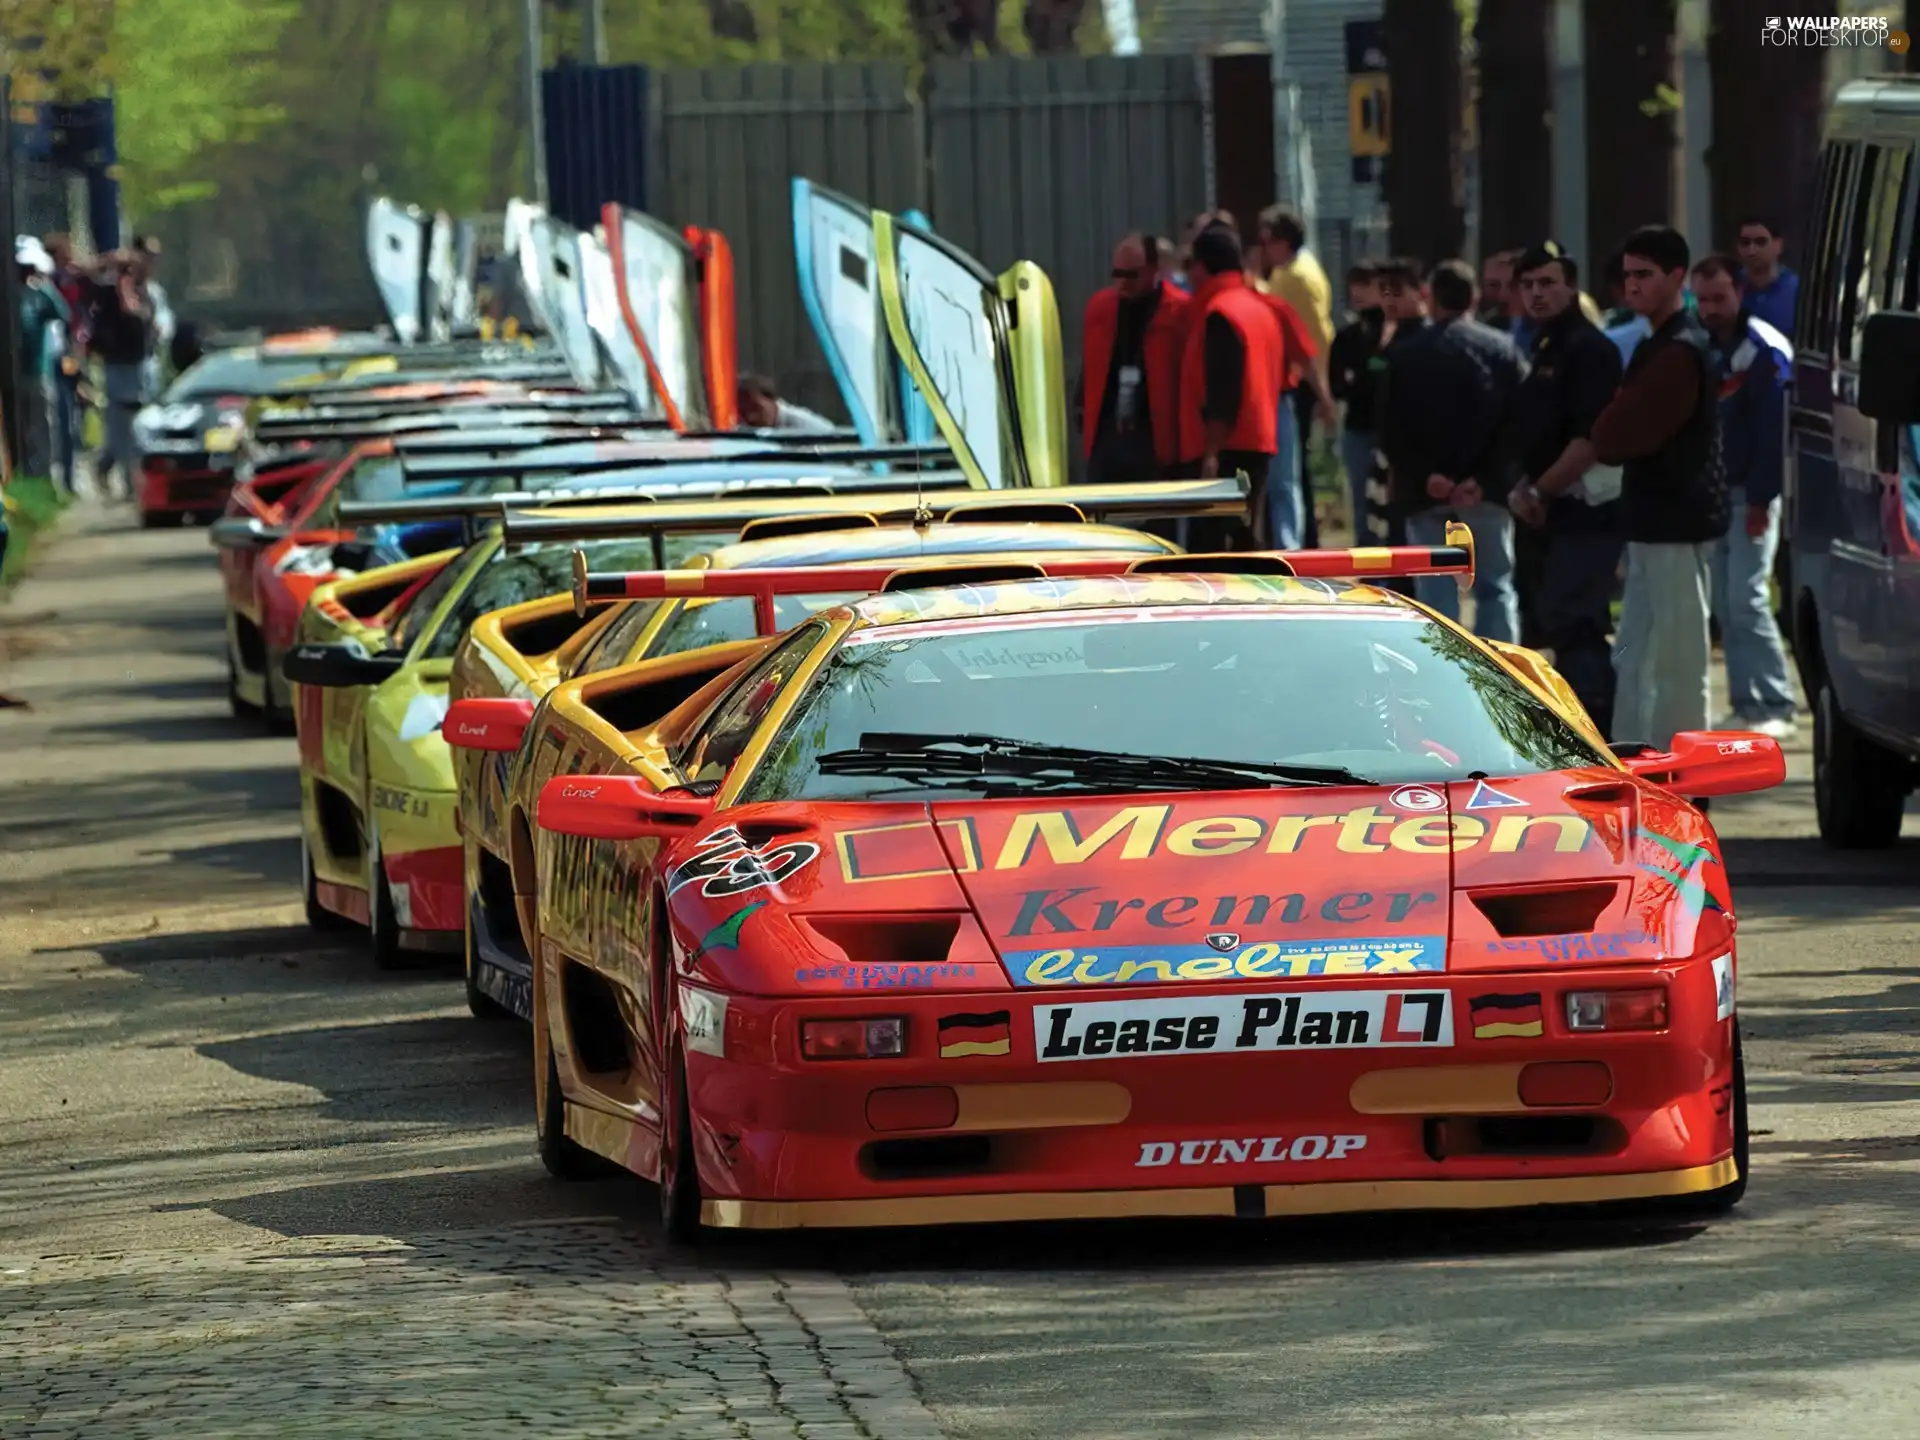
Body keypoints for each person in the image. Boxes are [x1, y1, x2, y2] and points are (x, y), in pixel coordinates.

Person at [1592, 225, 1728, 754]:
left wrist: (1611, 424)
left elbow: (1616, 433)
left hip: (1677, 521)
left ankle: (1682, 770)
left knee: (1677, 660)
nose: (1632, 287)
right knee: (1638, 652)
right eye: (1628, 276)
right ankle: (1636, 756)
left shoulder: (1680, 349)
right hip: (1654, 521)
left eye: (1644, 275)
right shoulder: (1659, 342)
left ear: (1676, 277)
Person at [1505, 242, 1628, 734]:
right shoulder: (1544, 344)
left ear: (1571, 286)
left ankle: (1600, 733)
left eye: (1548, 283)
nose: (1537, 294)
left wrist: (1541, 492)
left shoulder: (1590, 349)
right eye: (1528, 285)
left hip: (1584, 510)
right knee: (1553, 621)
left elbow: (1589, 439)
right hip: (1548, 511)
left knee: (1577, 624)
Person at [1379, 259, 1527, 640]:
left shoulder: (1405, 355)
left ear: (1431, 299)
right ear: (1474, 296)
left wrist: (1427, 475)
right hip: (1485, 492)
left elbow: (1393, 429)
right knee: (1494, 586)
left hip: (1426, 492)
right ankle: (1502, 676)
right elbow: (1518, 424)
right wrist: (1482, 478)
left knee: (1434, 595)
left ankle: (1444, 676)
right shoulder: (1502, 351)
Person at [1690, 253, 1798, 739]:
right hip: (1714, 495)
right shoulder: (1701, 346)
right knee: (1727, 603)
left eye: (1719, 297)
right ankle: (1747, 702)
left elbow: (1772, 433)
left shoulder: (1762, 349)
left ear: (1739, 293)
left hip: (1750, 496)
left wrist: (1761, 499)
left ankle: (1775, 701)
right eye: (1703, 298)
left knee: (1747, 598)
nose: (1711, 307)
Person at [1175, 222, 1283, 548]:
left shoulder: (1220, 313)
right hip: (1258, 441)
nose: (1188, 274)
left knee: (1210, 551)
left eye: (1190, 265)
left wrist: (1211, 451)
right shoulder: (1257, 307)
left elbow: (1223, 387)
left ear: (1203, 266)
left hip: (1227, 449)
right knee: (1248, 541)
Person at [1079, 232, 1189, 483]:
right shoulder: (1100, 308)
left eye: (1132, 274)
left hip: (1156, 437)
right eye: (1117, 274)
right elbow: (1091, 366)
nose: (1123, 282)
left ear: (1154, 270)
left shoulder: (1180, 310)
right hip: (1108, 435)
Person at [1259, 205, 1335, 546]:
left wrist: (1323, 393)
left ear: (1283, 241)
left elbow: (1314, 338)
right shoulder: (1292, 270)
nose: (1264, 249)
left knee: (1294, 471)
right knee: (1294, 470)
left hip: (1302, 379)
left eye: (1267, 241)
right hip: (1302, 376)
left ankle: (1305, 542)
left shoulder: (1296, 277)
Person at [1359, 258, 1431, 547]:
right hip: (1386, 442)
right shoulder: (1383, 333)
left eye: (1398, 292)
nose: (1390, 300)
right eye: (1385, 292)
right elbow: (1371, 375)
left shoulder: (1425, 334)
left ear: (1419, 292)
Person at [87, 247, 156, 500]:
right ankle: (120, 478)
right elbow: (86, 275)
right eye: (122, 270)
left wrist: (130, 282)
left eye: (130, 269)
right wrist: (107, 262)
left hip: (140, 365)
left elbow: (140, 318)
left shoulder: (143, 292)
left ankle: (124, 479)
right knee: (121, 427)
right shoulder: (106, 295)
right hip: (117, 366)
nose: (125, 274)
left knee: (137, 427)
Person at [1328, 260, 1391, 534]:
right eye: (1354, 286)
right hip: (1358, 427)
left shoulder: (1392, 332)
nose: (1358, 292)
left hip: (1389, 428)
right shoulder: (1347, 336)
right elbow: (1338, 383)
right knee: (1360, 498)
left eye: (1365, 285)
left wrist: (1360, 375)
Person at [15, 237, 69, 483]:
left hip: (39, 371)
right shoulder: (11, 296)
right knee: (21, 425)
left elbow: (62, 314)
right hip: (14, 373)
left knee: (43, 424)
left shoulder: (39, 295)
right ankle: (24, 471)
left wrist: (46, 286)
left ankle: (44, 475)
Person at [1735, 216, 1799, 338]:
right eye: (1745, 243)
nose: (1752, 250)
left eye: (1760, 242)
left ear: (1778, 245)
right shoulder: (1731, 287)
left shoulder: (1797, 290)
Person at [736, 374, 836, 433]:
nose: (750, 418)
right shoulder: (741, 429)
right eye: (743, 412)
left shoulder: (807, 426)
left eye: (755, 408)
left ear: (772, 399)